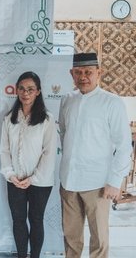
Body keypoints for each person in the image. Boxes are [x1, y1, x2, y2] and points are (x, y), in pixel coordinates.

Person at [59, 52, 132, 258]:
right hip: (68, 180)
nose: (83, 76)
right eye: (78, 72)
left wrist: (115, 180)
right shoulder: (66, 100)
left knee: (99, 238)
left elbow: (124, 145)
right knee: (71, 237)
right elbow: (64, 134)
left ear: (98, 73)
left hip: (98, 182)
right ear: (71, 74)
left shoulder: (112, 102)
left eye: (88, 72)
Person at [0, 71, 57, 258]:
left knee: (36, 219)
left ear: (38, 92)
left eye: (31, 89)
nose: (26, 93)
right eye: (22, 89)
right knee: (18, 220)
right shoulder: (9, 118)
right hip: (15, 179)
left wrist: (33, 178)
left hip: (40, 182)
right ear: (16, 91)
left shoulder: (47, 119)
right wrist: (10, 174)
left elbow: (49, 152)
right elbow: (4, 150)